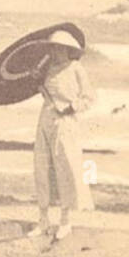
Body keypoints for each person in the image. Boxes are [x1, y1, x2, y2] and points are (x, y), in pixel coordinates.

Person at [30, 31, 95, 241]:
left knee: (64, 167)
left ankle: (65, 221)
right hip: (46, 118)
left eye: (58, 48)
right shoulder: (47, 69)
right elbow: (45, 92)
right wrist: (37, 81)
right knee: (42, 165)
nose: (54, 51)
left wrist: (70, 108)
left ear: (68, 50)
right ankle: (43, 220)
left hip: (66, 123)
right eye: (52, 47)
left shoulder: (76, 69)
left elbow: (88, 97)